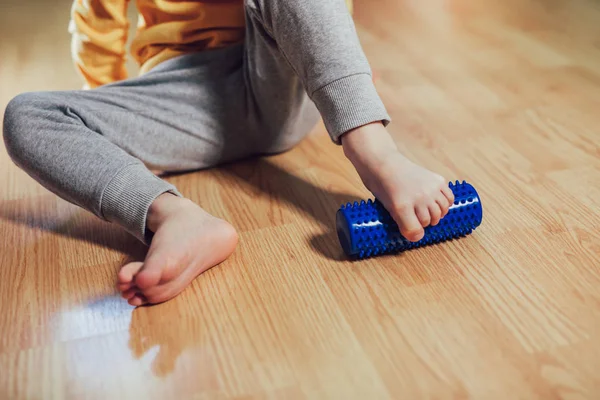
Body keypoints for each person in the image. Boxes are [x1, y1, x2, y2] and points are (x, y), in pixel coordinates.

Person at [2, 0, 454, 306]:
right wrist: (112, 119)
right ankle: (172, 216)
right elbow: (97, 25)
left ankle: (376, 152)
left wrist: (339, 71)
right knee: (27, 114)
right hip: (183, 93)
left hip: (273, 70)